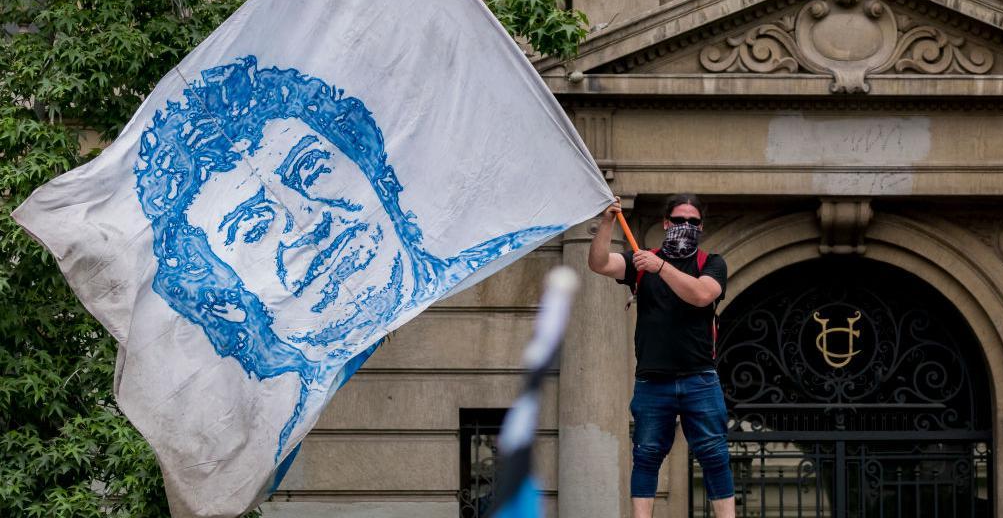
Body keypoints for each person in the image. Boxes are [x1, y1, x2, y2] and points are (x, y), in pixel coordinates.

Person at [134, 57, 561, 459]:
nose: (308, 220)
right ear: (225, 300)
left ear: (368, 162)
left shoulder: (516, 244)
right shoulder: (267, 453)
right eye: (255, 226)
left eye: (313, 168)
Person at [588, 194, 736, 518]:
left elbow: (700, 295)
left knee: (714, 455)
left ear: (701, 227)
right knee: (646, 456)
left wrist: (661, 267)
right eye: (679, 220)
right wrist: (607, 221)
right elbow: (598, 263)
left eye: (693, 222)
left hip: (700, 378)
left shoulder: (711, 263)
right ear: (666, 223)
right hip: (653, 381)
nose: (686, 226)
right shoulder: (641, 262)